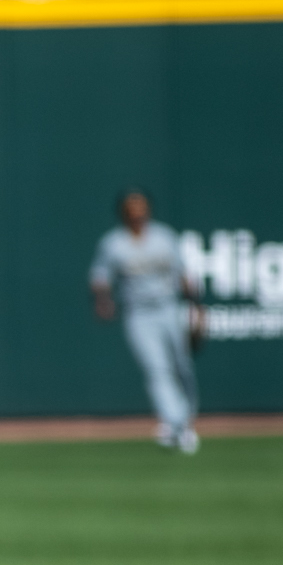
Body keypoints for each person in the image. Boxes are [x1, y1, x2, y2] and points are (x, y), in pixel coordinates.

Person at [90, 188, 202, 454]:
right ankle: (175, 424)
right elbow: (100, 277)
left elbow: (184, 275)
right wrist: (103, 300)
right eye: (132, 210)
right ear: (124, 214)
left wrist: (198, 310)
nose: (138, 215)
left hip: (168, 307)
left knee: (181, 365)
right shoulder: (114, 243)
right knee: (156, 369)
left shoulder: (164, 237)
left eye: (142, 209)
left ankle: (184, 420)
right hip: (138, 313)